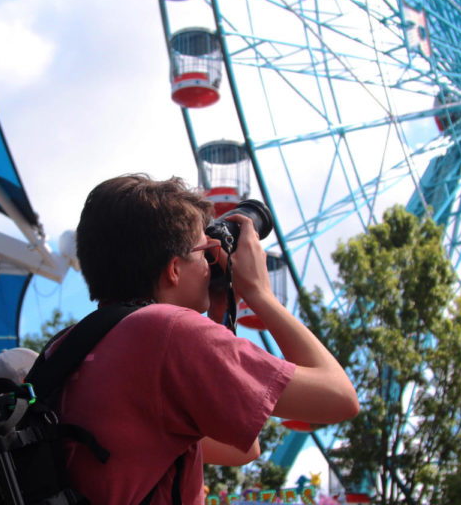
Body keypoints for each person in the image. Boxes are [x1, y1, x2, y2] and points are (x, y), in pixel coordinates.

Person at [52, 173, 359, 504]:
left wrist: (220, 315)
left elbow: (242, 446)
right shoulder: (168, 333)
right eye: (206, 251)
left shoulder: (67, 345)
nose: (213, 261)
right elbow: (340, 397)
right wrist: (259, 294)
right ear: (173, 269)